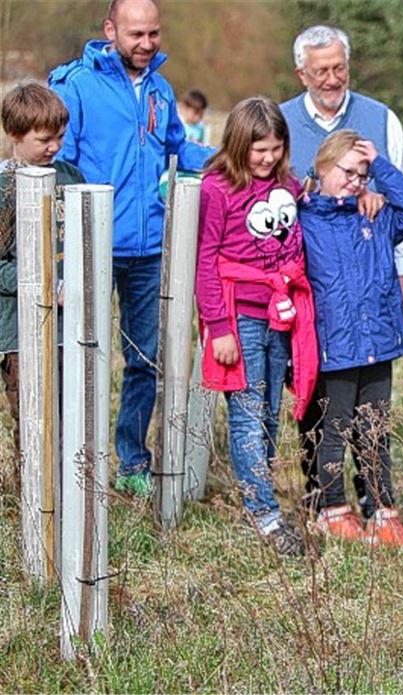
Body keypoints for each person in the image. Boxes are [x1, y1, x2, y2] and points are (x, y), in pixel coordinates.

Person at [48, 0, 212, 497]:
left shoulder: (160, 90)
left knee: (145, 359)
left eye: (153, 34)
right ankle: (79, 462)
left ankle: (132, 461)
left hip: (148, 249)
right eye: (136, 34)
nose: (146, 44)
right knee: (85, 354)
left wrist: (233, 157)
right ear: (110, 30)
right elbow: (62, 164)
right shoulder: (76, 86)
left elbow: (180, 150)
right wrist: (61, 251)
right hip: (91, 243)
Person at [279, 24, 403, 508]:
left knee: (372, 406)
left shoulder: (382, 118)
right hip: (312, 285)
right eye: (321, 71)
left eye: (339, 67)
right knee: (320, 404)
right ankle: (325, 496)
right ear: (302, 74)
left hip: (370, 264)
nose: (333, 78)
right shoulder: (282, 122)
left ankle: (374, 498)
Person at [194, 97, 316, 558]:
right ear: (238, 144)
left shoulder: (287, 184)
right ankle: (265, 514)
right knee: (246, 414)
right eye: (258, 150)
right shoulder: (217, 189)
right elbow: (206, 261)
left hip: (280, 313)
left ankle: (256, 495)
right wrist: (218, 326)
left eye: (275, 148)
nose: (267, 158)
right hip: (240, 314)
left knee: (267, 411)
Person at [299, 130, 403, 547]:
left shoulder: (373, 215)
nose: (356, 181)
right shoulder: (305, 220)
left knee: (375, 429)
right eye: (347, 172)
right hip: (334, 345)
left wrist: (380, 168)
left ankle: (382, 509)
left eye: (362, 174)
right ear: (323, 168)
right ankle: (332, 507)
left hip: (378, 340)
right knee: (334, 428)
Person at [0, 82, 85, 480]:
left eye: (60, 137)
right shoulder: (3, 188)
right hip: (21, 329)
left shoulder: (70, 176)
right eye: (44, 139)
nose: (54, 147)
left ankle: (70, 487)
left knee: (71, 409)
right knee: (33, 414)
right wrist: (42, 283)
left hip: (69, 328)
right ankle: (35, 491)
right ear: (15, 134)